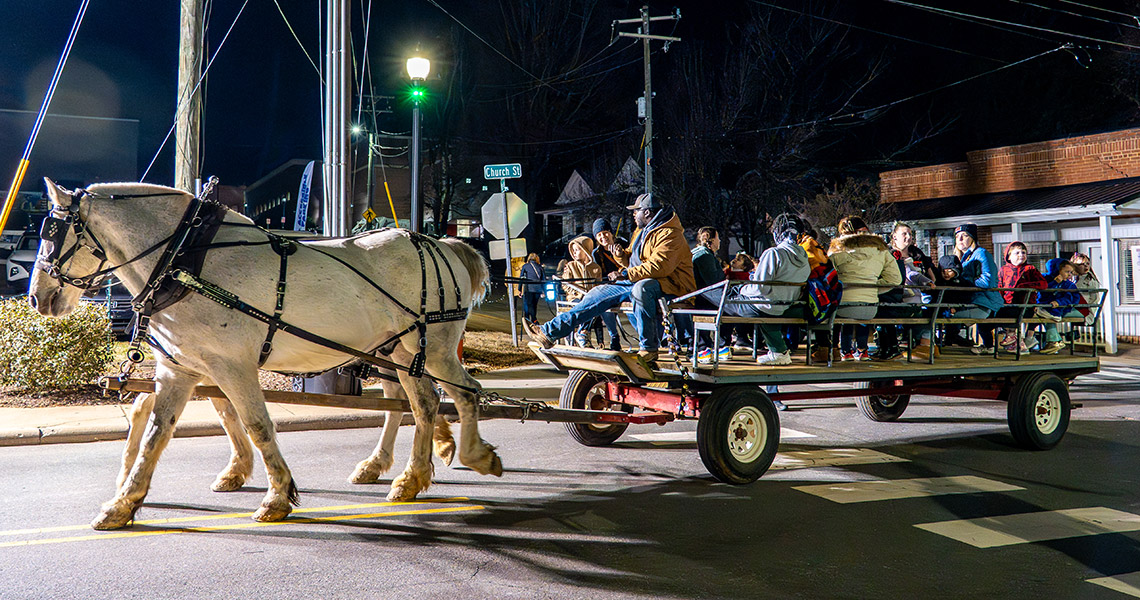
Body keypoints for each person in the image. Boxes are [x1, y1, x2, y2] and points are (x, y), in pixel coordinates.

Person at [523, 193, 695, 362]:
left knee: (641, 288)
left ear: (647, 212)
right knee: (598, 292)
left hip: (670, 285)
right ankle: (549, 332)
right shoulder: (642, 231)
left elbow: (660, 266)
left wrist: (625, 273)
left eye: (636, 211)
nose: (634, 214)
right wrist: (622, 256)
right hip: (640, 280)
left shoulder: (670, 234)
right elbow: (634, 259)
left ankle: (649, 347)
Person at [700, 213, 810, 366]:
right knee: (744, 299)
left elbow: (760, 288)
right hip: (784, 304)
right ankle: (777, 350)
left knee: (710, 293)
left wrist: (743, 289)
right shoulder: (804, 256)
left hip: (763, 305)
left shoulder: (773, 253)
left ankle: (703, 345)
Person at [827, 216, 902, 362]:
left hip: (843, 307)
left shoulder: (835, 252)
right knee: (861, 316)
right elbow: (895, 279)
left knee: (841, 313)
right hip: (870, 307)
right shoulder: (881, 251)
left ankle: (842, 351)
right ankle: (863, 351)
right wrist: (872, 288)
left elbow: (828, 280)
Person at [952, 223, 1003, 354]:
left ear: (973, 238)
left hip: (985, 301)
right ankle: (986, 346)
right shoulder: (961, 258)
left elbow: (988, 281)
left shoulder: (981, 253)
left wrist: (965, 282)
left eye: (965, 235)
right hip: (970, 301)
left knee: (946, 317)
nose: (960, 239)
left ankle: (951, 339)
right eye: (957, 236)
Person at [992, 241, 1047, 352]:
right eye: (1017, 253)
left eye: (1023, 252)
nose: (1021, 255)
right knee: (996, 314)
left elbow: (1043, 284)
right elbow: (999, 287)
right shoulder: (1003, 270)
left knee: (1013, 314)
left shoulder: (1030, 269)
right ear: (1009, 255)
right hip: (1007, 305)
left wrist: (1024, 286)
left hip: (1025, 305)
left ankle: (1012, 337)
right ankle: (1013, 340)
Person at [691, 226, 730, 362]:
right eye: (718, 238)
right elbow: (712, 281)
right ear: (711, 239)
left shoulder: (702, 253)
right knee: (732, 307)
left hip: (702, 296)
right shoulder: (704, 255)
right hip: (705, 297)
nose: (719, 241)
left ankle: (711, 345)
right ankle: (720, 345)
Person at [590, 218, 626, 351]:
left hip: (626, 284)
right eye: (599, 235)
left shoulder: (624, 245)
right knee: (605, 307)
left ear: (611, 233)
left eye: (605, 232)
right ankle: (614, 337)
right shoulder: (596, 254)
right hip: (609, 287)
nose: (603, 237)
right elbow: (598, 274)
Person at [561, 236, 603, 347]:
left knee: (596, 307)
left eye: (577, 250)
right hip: (575, 298)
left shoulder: (595, 268)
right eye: (573, 250)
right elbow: (565, 284)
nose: (574, 253)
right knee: (583, 306)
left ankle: (583, 333)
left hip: (590, 297)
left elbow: (598, 285)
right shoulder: (570, 266)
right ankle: (581, 333)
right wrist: (578, 293)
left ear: (585, 251)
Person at [1036, 258, 1081, 355]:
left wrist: (1059, 302)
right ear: (1057, 270)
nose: (1069, 275)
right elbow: (1042, 292)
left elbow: (1073, 298)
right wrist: (1055, 282)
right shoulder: (1045, 279)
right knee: (1040, 315)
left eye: (1071, 272)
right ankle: (1053, 341)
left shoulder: (1069, 284)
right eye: (1067, 272)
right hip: (1047, 306)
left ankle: (1054, 341)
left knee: (1045, 316)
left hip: (1061, 309)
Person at [1069, 252, 1101, 327]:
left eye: (1087, 263)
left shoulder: (1090, 280)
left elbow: (1094, 299)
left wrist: (1090, 314)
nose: (1085, 266)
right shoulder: (1071, 279)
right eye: (1081, 264)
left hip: (1083, 310)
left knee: (1051, 314)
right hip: (1071, 307)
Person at [518, 253, 544, 325]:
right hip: (538, 289)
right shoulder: (540, 267)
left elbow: (521, 278)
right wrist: (543, 291)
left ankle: (531, 319)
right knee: (534, 305)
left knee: (528, 304)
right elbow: (543, 279)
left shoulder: (525, 266)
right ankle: (533, 320)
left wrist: (519, 289)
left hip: (528, 288)